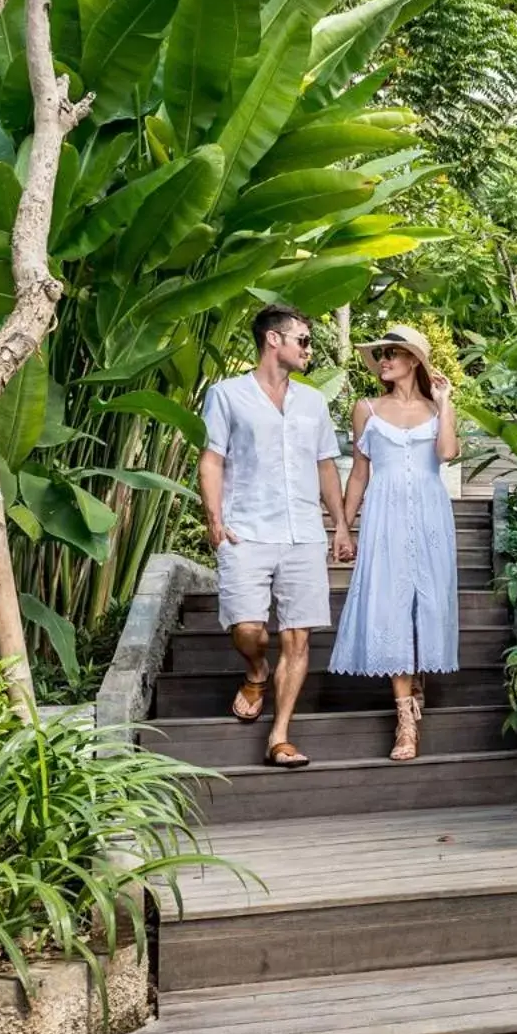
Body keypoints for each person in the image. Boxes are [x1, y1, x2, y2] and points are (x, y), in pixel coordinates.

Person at [197, 304, 354, 769]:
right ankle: (255, 671)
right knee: (249, 630)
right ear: (273, 340)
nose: (309, 350)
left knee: (297, 639)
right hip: (246, 530)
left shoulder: (313, 403)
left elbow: (326, 466)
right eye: (303, 340)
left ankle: (280, 735)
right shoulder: (226, 395)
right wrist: (214, 517)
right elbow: (212, 459)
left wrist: (341, 524)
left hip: (303, 533)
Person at [328, 324, 460, 761]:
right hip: (384, 517)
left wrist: (446, 404)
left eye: (393, 353)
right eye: (381, 353)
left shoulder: (435, 406)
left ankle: (420, 676)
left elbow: (446, 454)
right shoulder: (365, 408)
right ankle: (405, 720)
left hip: (430, 515)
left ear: (414, 361)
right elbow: (360, 474)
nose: (384, 359)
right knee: (391, 606)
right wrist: (343, 528)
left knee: (429, 603)